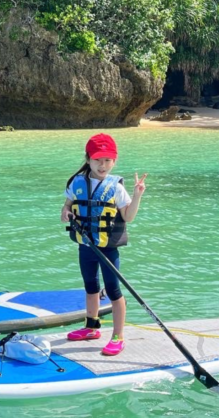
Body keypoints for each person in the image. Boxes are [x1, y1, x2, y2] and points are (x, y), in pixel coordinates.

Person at [60, 133, 146, 356]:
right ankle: (91, 327)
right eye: (98, 159)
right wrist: (66, 212)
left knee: (114, 291)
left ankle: (118, 336)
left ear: (114, 161)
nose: (103, 165)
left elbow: (128, 217)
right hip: (85, 246)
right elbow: (67, 206)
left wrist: (137, 195)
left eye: (108, 160)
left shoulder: (115, 187)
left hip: (107, 248)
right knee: (90, 286)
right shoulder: (76, 182)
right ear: (88, 159)